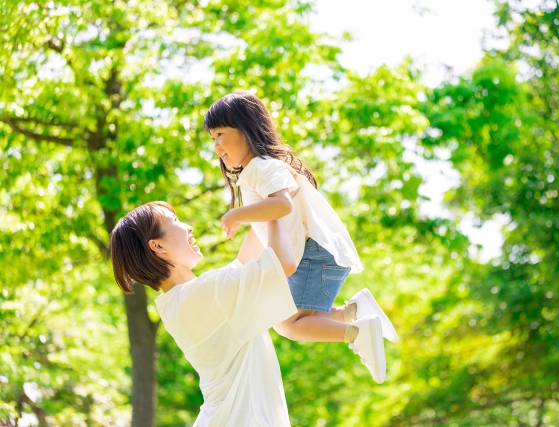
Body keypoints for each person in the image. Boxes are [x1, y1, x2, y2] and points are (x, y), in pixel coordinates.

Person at [203, 91, 399, 383]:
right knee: (293, 320)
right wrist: (237, 266)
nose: (217, 145)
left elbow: (281, 205)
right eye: (212, 138)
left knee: (287, 324)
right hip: (318, 254)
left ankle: (357, 332)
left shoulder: (262, 166)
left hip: (316, 253)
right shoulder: (257, 171)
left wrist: (236, 215)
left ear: (245, 129)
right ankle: (354, 311)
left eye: (220, 133)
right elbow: (263, 229)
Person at [109, 201, 301, 426]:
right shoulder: (203, 295)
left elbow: (245, 260)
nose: (188, 227)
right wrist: (275, 207)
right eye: (175, 221)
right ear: (158, 246)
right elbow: (284, 263)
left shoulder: (181, 301)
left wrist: (266, 201)